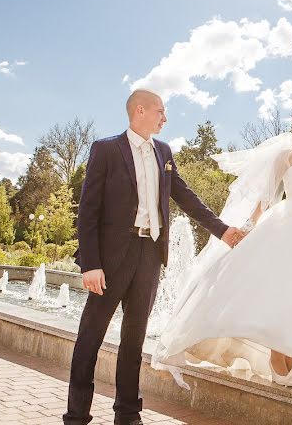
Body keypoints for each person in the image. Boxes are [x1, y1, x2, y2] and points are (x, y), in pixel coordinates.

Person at [64, 90, 245, 425]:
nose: (165, 118)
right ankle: (76, 416)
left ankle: (128, 415)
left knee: (134, 339)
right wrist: (90, 263)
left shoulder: (163, 151)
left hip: (149, 255)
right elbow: (88, 210)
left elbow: (185, 196)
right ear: (140, 110)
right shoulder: (106, 149)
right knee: (91, 337)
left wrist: (222, 230)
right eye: (161, 111)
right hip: (110, 258)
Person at [152, 106, 292, 401]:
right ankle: (277, 356)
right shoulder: (286, 157)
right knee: (278, 287)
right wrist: (248, 226)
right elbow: (266, 196)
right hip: (287, 226)